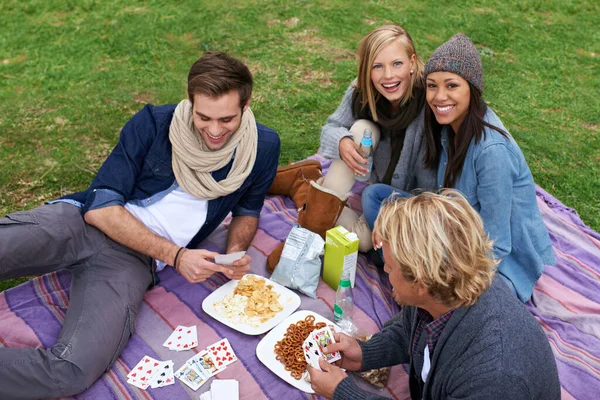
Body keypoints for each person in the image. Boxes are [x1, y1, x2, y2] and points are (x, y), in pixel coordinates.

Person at [0, 51, 280, 399]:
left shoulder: (262, 148)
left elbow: (248, 211)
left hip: (132, 263)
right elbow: (101, 208)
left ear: (247, 104)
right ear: (189, 102)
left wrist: (234, 254)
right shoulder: (153, 122)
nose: (214, 130)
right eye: (203, 117)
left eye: (227, 119)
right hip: (82, 222)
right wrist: (177, 256)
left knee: (72, 372)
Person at [307, 190, 561, 400]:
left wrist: (344, 393)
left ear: (421, 283)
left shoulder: (494, 376)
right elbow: (410, 331)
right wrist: (365, 353)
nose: (384, 269)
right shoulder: (444, 292)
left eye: (390, 267)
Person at [361, 33, 554, 302]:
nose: (439, 97)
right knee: (377, 198)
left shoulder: (492, 152)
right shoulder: (448, 127)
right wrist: (397, 219)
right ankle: (409, 279)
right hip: (452, 235)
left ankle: (415, 287)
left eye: (451, 86)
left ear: (471, 89)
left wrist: (442, 271)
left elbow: (496, 247)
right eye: (432, 86)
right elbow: (443, 202)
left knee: (463, 308)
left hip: (492, 267)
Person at [266, 25, 436, 272]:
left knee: (365, 243)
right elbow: (332, 127)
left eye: (397, 64)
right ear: (367, 69)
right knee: (361, 129)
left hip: (401, 199)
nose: (388, 76)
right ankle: (308, 233)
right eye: (377, 66)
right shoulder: (361, 91)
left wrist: (397, 217)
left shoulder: (429, 98)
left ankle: (305, 184)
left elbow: (432, 185)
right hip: (369, 182)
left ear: (412, 62)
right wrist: (341, 142)